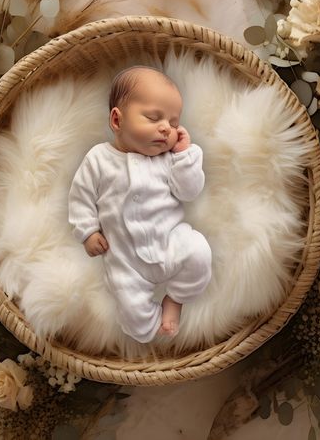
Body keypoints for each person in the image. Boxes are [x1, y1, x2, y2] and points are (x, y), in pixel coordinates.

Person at [68, 66, 212, 343]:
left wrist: (184, 155)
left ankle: (176, 298)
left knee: (200, 253)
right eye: (154, 117)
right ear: (117, 120)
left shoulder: (169, 159)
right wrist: (87, 231)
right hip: (125, 260)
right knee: (132, 314)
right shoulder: (99, 158)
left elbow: (190, 191)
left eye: (173, 122)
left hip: (171, 244)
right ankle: (150, 327)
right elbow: (81, 196)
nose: (165, 128)